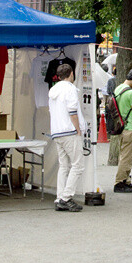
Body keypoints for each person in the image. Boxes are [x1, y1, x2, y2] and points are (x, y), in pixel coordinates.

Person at [48, 63, 85, 212]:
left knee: (64, 166)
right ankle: (66, 197)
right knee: (78, 165)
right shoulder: (70, 89)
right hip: (69, 131)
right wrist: (78, 129)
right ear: (71, 74)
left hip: (57, 131)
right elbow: (72, 111)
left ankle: (60, 196)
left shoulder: (53, 90)